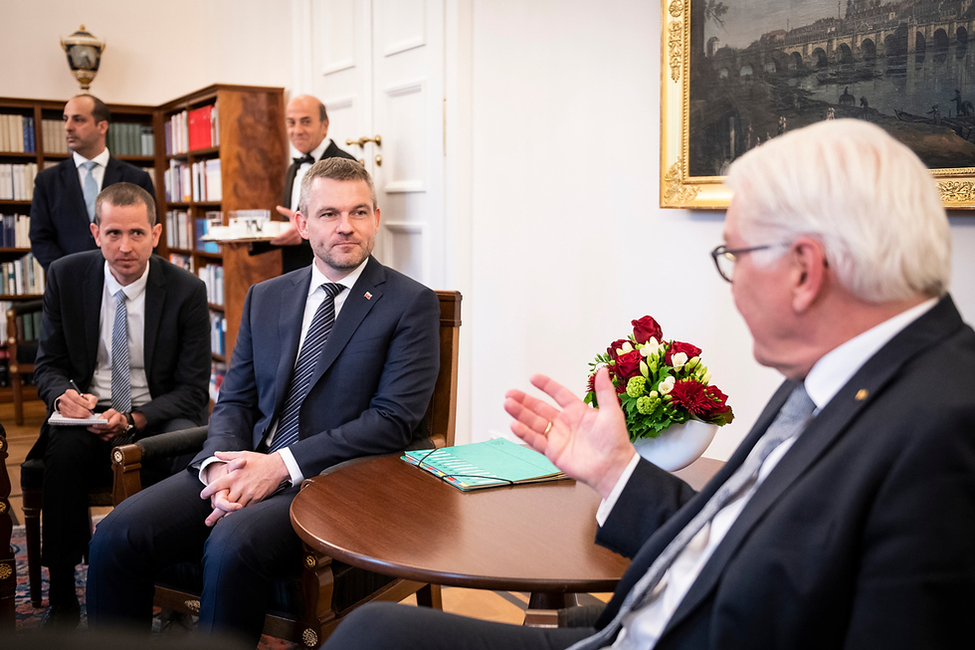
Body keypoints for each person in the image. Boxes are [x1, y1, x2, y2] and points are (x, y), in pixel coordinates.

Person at [324, 119, 975, 649]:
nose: (731, 282)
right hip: (633, 624)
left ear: (803, 270)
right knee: (372, 631)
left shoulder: (945, 435)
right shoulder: (833, 372)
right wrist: (616, 472)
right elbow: (729, 541)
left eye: (734, 255)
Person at [86, 158, 441, 644]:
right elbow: (234, 399)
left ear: (376, 218)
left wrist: (279, 466)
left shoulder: (409, 303)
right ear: (301, 224)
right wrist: (222, 466)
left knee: (232, 544)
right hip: (244, 463)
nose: (346, 227)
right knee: (114, 537)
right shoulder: (266, 296)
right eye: (329, 214)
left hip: (334, 480)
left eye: (359, 212)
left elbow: (392, 422)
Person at [29, 182, 211, 628]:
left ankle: (175, 593)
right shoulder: (66, 276)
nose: (125, 247)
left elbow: (192, 388)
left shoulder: (187, 289)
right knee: (62, 453)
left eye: (136, 234)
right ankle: (63, 593)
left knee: (188, 453)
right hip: (88, 412)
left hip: (156, 412)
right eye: (113, 233)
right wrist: (62, 397)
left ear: (156, 233)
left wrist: (132, 417)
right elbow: (47, 364)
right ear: (95, 232)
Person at [29, 94, 156, 270]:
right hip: (68, 285)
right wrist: (66, 273)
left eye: (78, 120)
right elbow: (40, 237)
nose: (68, 127)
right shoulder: (48, 180)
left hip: (123, 279)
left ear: (102, 126)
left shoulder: (136, 178)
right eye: (65, 119)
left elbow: (147, 232)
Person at [249, 94, 356, 274]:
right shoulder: (293, 169)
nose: (297, 130)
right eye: (291, 122)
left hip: (332, 273)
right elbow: (293, 229)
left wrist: (303, 235)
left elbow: (349, 225)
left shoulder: (345, 164)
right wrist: (247, 242)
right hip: (295, 273)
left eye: (306, 122)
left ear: (325, 125)